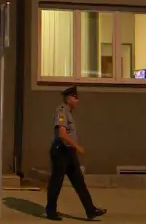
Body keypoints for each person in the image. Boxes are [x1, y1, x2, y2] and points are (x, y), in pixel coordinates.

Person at [46, 86, 107, 221]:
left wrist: (74, 148)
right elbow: (62, 134)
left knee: (79, 182)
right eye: (75, 98)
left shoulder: (68, 113)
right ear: (69, 98)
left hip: (69, 152)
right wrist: (77, 146)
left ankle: (90, 210)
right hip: (61, 151)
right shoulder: (61, 111)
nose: (77, 101)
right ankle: (51, 211)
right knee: (56, 181)